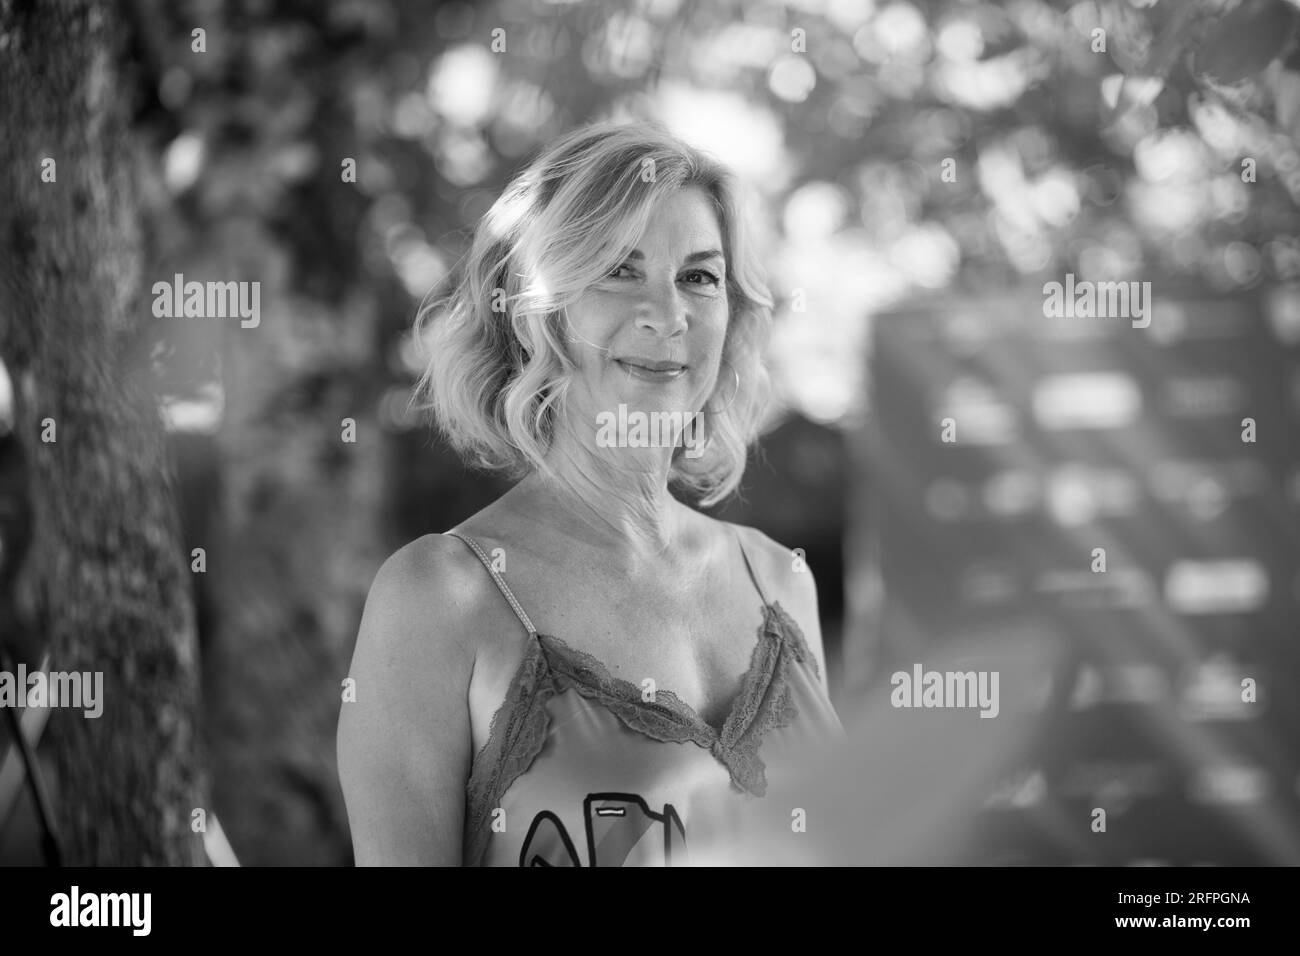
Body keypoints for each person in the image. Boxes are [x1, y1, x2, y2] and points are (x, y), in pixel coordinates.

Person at [337, 119, 844, 866]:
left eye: (699, 276)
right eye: (620, 270)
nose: (668, 315)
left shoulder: (779, 579)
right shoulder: (439, 597)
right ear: (539, 311)